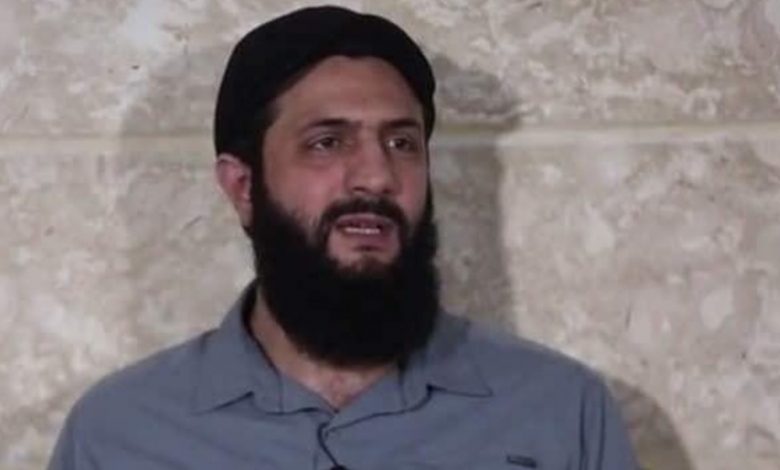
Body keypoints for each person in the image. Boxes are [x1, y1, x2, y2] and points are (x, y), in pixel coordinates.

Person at [48, 5, 638, 469]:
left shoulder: (560, 413)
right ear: (243, 186)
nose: (377, 176)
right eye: (327, 143)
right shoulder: (118, 435)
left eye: (401, 143)